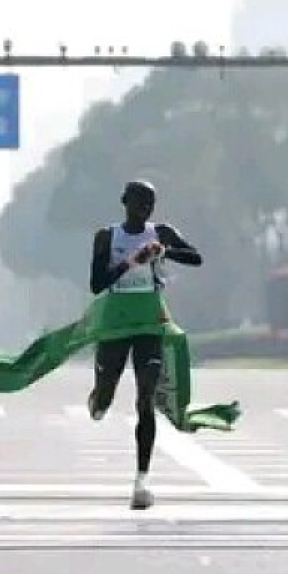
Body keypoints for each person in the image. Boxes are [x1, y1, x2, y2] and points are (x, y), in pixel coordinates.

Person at [87, 179, 203, 510]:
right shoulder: (107, 237)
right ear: (125, 202)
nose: (146, 209)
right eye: (140, 202)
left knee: (145, 399)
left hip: (150, 320)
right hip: (117, 318)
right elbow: (96, 285)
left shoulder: (161, 232)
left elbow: (196, 258)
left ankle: (141, 480)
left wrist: (164, 251)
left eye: (150, 203)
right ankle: (99, 396)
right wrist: (130, 262)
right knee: (106, 397)